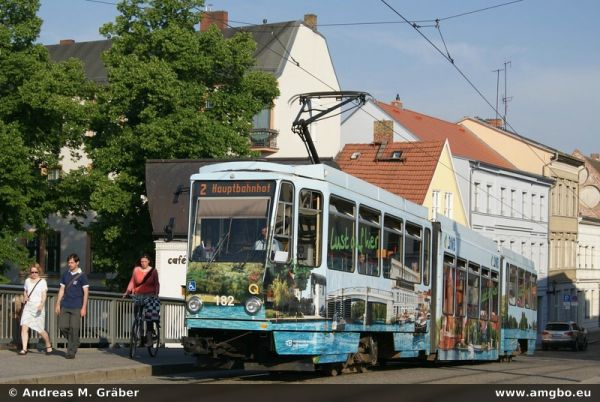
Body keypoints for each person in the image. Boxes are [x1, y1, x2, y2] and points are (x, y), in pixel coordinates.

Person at [55, 253, 89, 359]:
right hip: (65, 304)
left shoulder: (82, 276)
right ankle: (75, 341)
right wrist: (57, 304)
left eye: (72, 262)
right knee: (62, 326)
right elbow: (61, 290)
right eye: (68, 262)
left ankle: (71, 351)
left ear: (77, 263)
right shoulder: (65, 274)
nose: (70, 264)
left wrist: (84, 307)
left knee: (74, 328)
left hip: (77, 305)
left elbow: (86, 292)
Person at [124, 254, 160, 347]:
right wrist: (127, 292)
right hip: (138, 295)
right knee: (137, 316)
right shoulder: (136, 270)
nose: (143, 263)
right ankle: (139, 336)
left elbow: (156, 284)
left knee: (149, 316)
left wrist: (156, 294)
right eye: (142, 261)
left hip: (150, 295)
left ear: (149, 262)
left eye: (145, 261)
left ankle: (149, 338)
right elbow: (132, 281)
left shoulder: (153, 271)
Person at [19, 264, 53, 356]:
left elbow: (44, 294)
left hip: (38, 307)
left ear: (39, 272)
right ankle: (24, 349)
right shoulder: (27, 281)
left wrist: (42, 304)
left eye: (36, 272)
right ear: (30, 272)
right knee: (24, 327)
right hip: (28, 306)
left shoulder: (42, 282)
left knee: (40, 329)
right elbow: (25, 291)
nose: (34, 274)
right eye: (32, 272)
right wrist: (25, 297)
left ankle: (48, 344)